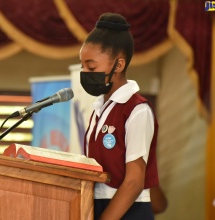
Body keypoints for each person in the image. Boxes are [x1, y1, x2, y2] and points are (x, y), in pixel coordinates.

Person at [80, 12, 159, 219]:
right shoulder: (99, 109)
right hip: (97, 205)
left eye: (91, 66)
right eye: (82, 66)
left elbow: (133, 182)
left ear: (119, 65)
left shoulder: (137, 109)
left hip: (127, 210)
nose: (85, 72)